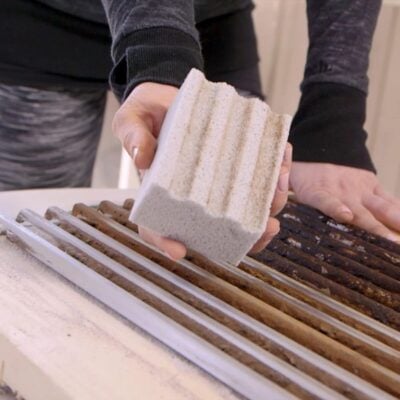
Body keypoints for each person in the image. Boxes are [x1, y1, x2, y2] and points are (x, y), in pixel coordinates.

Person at [0, 0, 398, 260]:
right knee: (20, 245)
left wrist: (332, 120)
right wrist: (161, 59)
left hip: (208, 19)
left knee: (233, 227)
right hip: (44, 23)